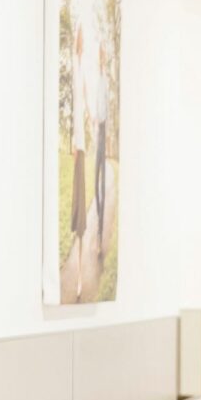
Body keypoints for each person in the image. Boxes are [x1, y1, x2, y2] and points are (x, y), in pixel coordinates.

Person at [69, 24, 89, 300]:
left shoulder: (82, 70)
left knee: (81, 221)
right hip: (77, 149)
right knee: (76, 217)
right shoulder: (75, 67)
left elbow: (82, 109)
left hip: (81, 149)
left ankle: (81, 278)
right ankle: (77, 276)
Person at [94, 43, 109, 258]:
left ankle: (99, 235)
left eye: (104, 55)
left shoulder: (105, 80)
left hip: (103, 131)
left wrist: (102, 124)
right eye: (100, 54)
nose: (102, 58)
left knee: (103, 185)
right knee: (96, 184)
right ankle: (98, 222)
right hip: (98, 131)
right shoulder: (99, 78)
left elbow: (106, 108)